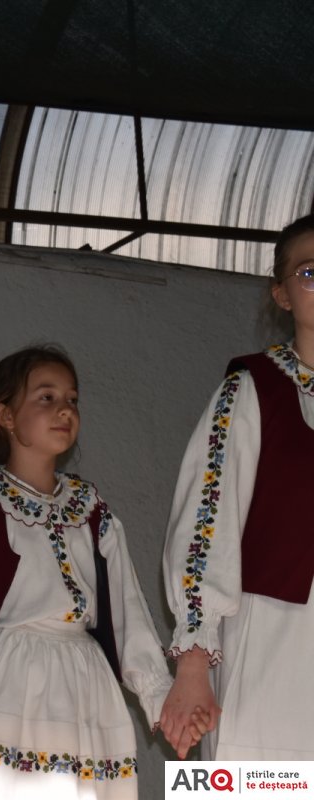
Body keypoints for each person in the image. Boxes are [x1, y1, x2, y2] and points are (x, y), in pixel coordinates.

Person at [0, 346, 176, 799]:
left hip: (83, 689)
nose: (64, 410)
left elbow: (128, 615)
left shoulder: (92, 511)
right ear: (5, 415)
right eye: (46, 397)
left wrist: (162, 700)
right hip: (0, 686)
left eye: (72, 399)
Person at [158, 214, 314, 760]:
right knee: (260, 783)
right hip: (274, 635)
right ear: (282, 295)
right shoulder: (251, 388)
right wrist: (193, 665)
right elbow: (208, 524)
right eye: (310, 272)